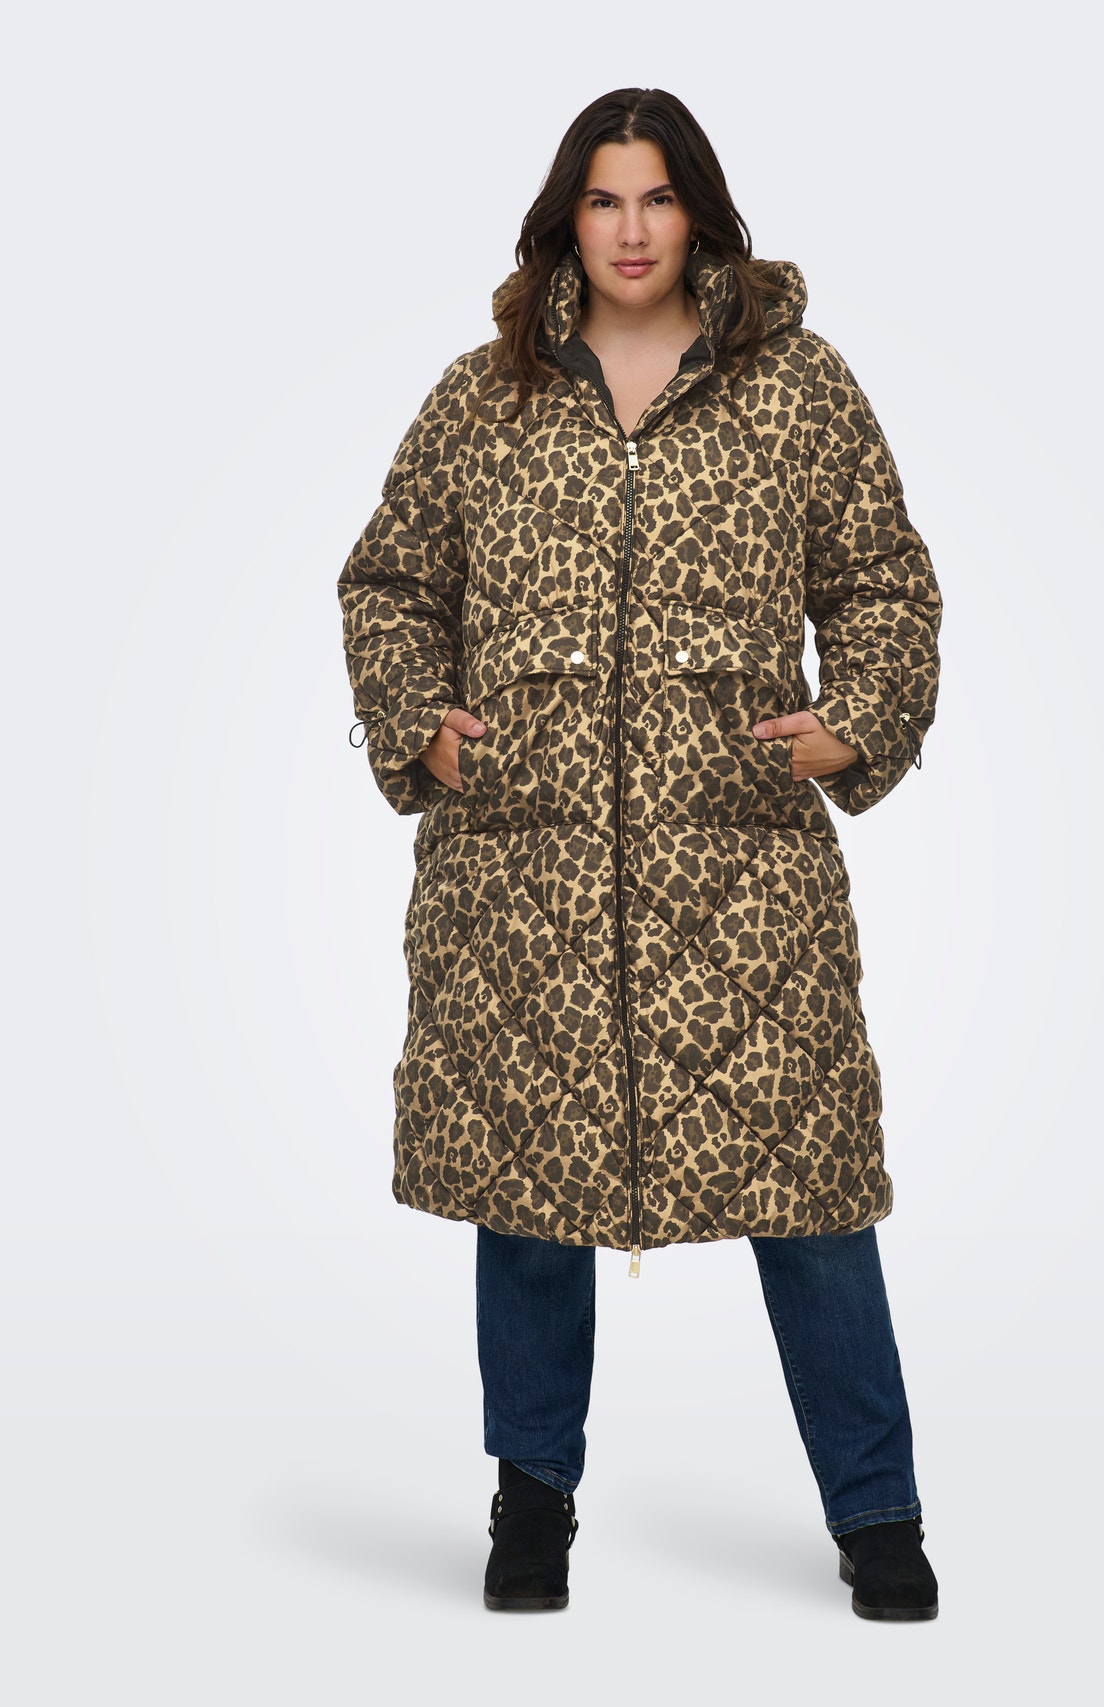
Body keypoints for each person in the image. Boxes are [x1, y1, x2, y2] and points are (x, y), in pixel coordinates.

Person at [337, 87, 943, 1621]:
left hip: (741, 880)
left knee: (812, 1197)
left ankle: (878, 1513)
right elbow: (391, 580)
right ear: (568, 217)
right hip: (520, 878)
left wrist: (857, 724)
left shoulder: (796, 386)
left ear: (699, 215)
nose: (630, 230)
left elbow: (882, 582)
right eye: (604, 201)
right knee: (529, 1201)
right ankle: (530, 1501)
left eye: (657, 199)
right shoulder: (485, 397)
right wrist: (419, 725)